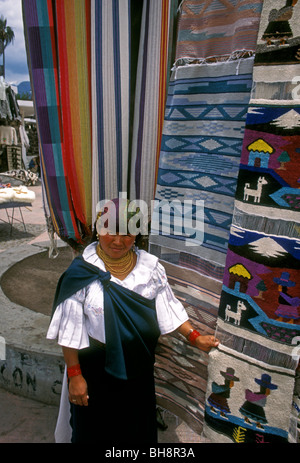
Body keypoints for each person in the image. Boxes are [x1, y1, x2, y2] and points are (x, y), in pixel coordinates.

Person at [47, 198, 219, 443]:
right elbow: (70, 329)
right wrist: (75, 376)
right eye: (111, 232)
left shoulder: (150, 269)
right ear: (99, 229)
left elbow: (168, 307)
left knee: (135, 430)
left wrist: (195, 337)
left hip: (138, 367)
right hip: (96, 369)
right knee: (94, 431)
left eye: (128, 233)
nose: (119, 241)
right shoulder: (81, 273)